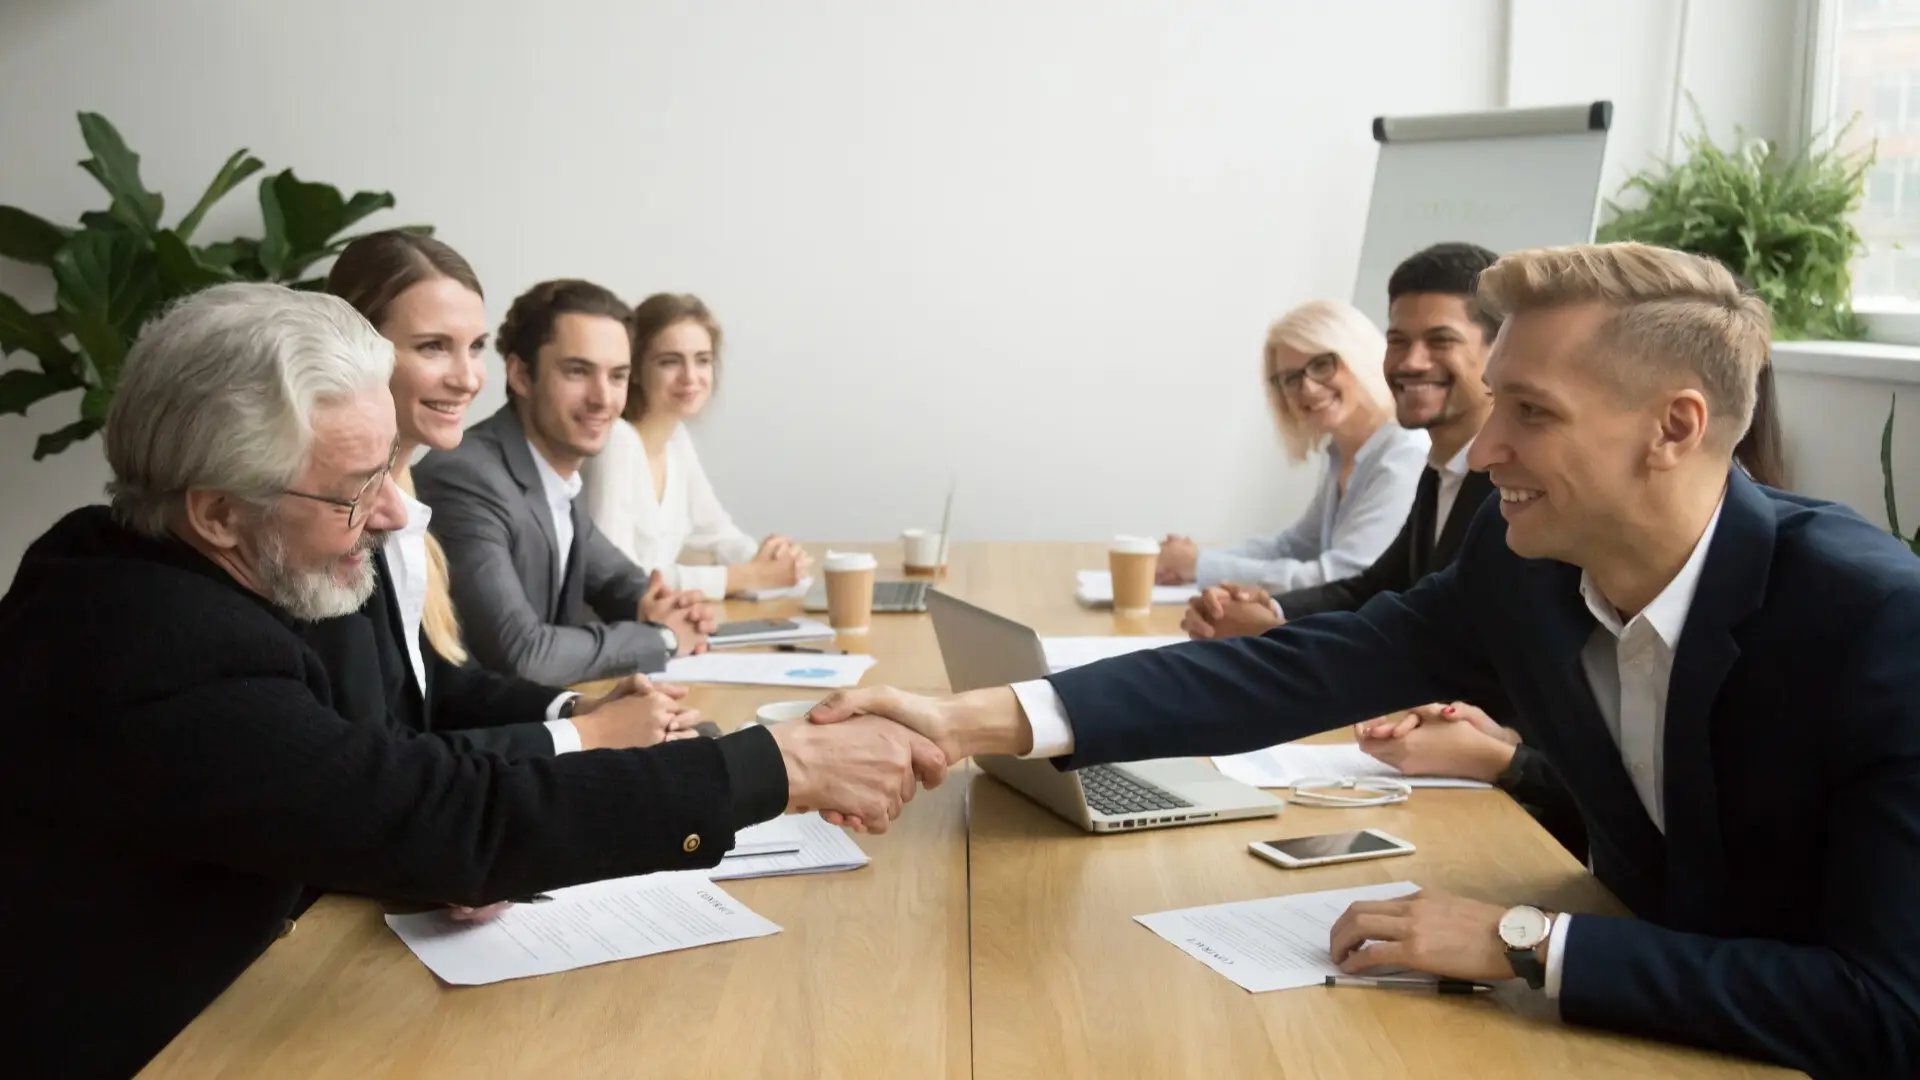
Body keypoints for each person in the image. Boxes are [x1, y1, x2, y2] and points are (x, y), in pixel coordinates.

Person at [813, 243, 1920, 1077]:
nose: (1483, 454)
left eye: (1528, 414)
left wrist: (1530, 942)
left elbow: (1885, 1010)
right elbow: (1290, 673)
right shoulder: (1519, 565)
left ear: (1673, 428)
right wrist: (969, 722)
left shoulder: (1877, 627)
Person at [0, 283, 946, 1080]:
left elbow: (357, 783)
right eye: (360, 487)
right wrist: (775, 767)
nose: (401, 511)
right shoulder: (156, 644)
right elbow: (437, 808)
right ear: (215, 511)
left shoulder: (158, 564)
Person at [315, 231, 695, 759]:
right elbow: (388, 752)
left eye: (474, 348)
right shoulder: (336, 517)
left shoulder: (403, 496)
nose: (469, 378)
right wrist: (595, 725)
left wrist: (576, 709)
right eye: (432, 347)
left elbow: (438, 685)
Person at [415, 279, 719, 686]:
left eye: (617, 377)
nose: (603, 398)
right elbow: (523, 654)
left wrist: (668, 607)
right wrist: (661, 637)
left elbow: (616, 580)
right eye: (578, 372)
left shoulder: (554, 472)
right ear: (521, 375)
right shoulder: (466, 477)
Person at [1155, 300, 1428, 592]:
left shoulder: (1404, 455)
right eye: (1291, 378)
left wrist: (1200, 566)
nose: (1307, 388)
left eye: (1322, 364)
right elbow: (1295, 546)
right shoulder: (1342, 452)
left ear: (1359, 357)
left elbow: (1343, 577)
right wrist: (1195, 560)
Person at [581, 292, 809, 599]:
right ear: (633, 370)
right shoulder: (615, 443)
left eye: (702, 360)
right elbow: (621, 580)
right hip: (611, 639)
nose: (690, 377)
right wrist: (747, 575)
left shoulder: (676, 440)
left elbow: (718, 533)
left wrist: (774, 560)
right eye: (669, 362)